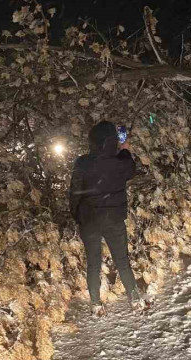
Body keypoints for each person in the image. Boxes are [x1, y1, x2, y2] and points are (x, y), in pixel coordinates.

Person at [69, 121, 141, 316]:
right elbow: (131, 169)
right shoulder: (120, 162)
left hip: (89, 220)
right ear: (112, 141)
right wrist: (125, 149)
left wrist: (77, 215)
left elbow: (74, 192)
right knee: (122, 261)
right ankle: (135, 300)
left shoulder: (83, 162)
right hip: (114, 220)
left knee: (93, 263)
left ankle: (96, 304)